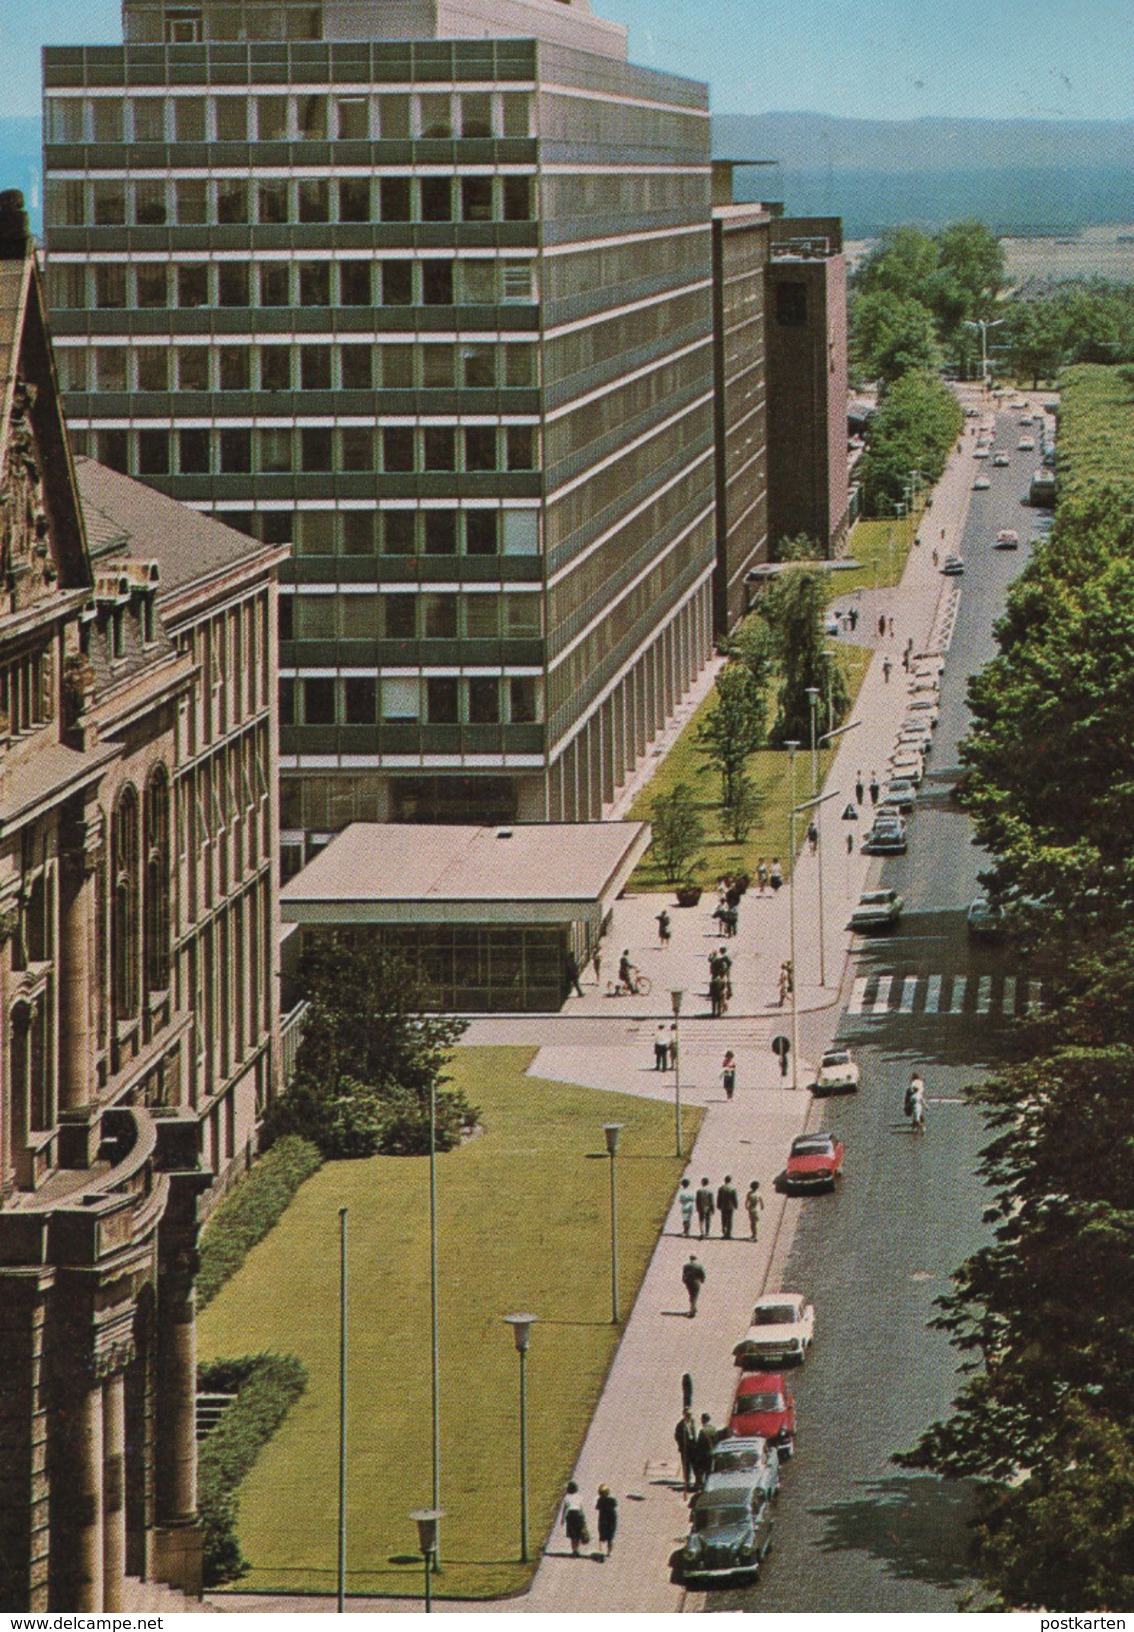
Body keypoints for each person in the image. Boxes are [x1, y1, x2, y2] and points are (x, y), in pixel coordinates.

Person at [561, 1481, 587, 1557]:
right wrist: (583, 1517)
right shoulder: (579, 1497)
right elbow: (581, 1508)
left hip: (570, 1515)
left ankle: (573, 1550)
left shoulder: (567, 1498)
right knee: (578, 1534)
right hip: (579, 1515)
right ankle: (577, 1550)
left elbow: (565, 1509)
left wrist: (563, 1518)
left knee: (572, 1535)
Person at [693, 1413, 718, 1490]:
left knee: (701, 1471)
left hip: (704, 1454)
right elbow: (716, 1441)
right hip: (712, 1453)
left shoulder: (703, 1431)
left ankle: (702, 1486)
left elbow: (699, 1445)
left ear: (703, 1420)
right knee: (709, 1471)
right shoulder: (714, 1429)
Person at [675, 1407, 697, 1493]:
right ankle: (687, 1483)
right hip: (685, 1449)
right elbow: (677, 1436)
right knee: (686, 1466)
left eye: (690, 1415)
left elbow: (693, 1432)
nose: (689, 1416)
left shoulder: (692, 1421)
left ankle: (696, 1481)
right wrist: (681, 1444)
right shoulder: (680, 1425)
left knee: (694, 1465)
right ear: (684, 1415)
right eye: (688, 1415)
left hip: (692, 1447)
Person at [596, 1486, 618, 1558]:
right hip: (612, 1517)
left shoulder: (600, 1500)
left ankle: (601, 1550)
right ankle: (609, 1551)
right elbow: (615, 1505)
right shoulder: (612, 1499)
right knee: (610, 1535)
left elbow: (597, 1507)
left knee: (602, 1533)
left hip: (603, 1517)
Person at [682, 1253, 706, 1317]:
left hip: (689, 1283)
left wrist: (684, 1281)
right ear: (696, 1259)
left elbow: (684, 1274)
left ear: (690, 1258)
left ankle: (694, 1308)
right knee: (694, 1296)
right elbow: (702, 1274)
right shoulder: (699, 1266)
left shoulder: (686, 1266)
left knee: (691, 1295)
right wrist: (702, 1280)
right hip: (696, 1282)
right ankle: (692, 1311)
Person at [717, 1175, 740, 1240]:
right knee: (729, 1220)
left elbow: (719, 1198)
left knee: (723, 1220)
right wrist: (736, 1205)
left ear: (725, 1180)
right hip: (730, 1206)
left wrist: (718, 1205)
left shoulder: (721, 1188)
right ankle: (729, 1234)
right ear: (730, 1180)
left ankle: (724, 1233)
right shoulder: (732, 1188)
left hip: (723, 1206)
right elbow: (734, 1198)